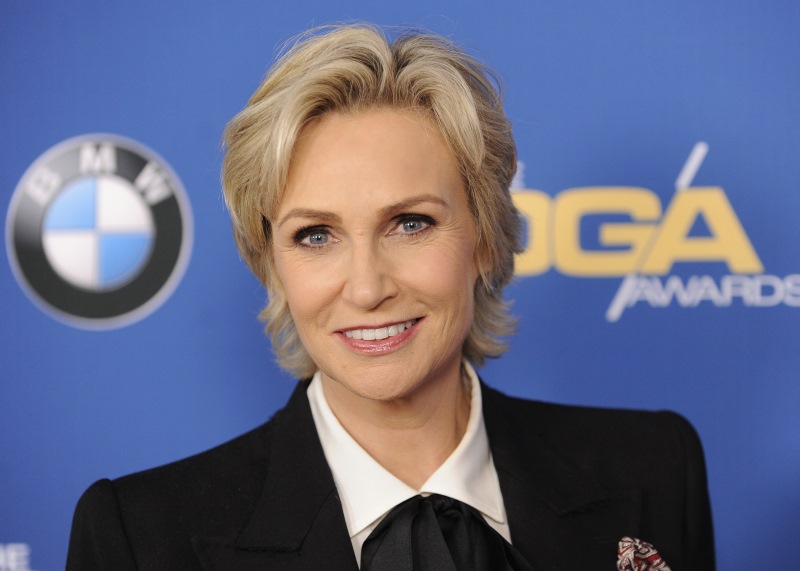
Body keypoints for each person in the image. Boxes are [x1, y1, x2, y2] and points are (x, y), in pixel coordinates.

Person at [66, 24, 715, 570]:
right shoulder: (141, 537)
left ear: (485, 238)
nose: (368, 287)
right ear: (273, 265)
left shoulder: (655, 469)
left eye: (410, 223)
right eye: (315, 235)